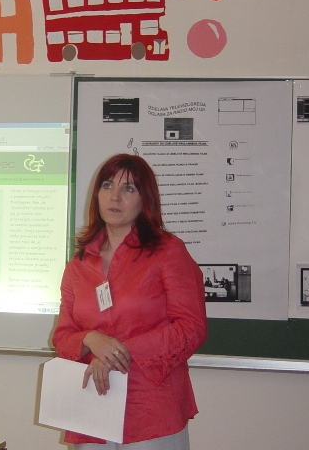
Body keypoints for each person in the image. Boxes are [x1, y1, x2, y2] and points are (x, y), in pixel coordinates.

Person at [52, 154, 207, 449]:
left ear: (144, 199)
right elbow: (62, 337)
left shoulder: (168, 252)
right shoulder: (78, 265)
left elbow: (191, 328)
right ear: (96, 194)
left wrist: (116, 353)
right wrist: (91, 338)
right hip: (92, 405)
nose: (115, 196)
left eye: (129, 188)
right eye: (107, 185)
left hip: (151, 407)